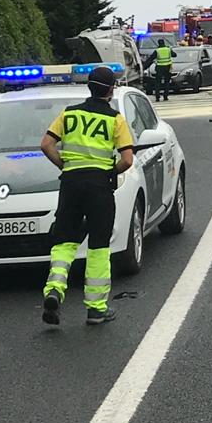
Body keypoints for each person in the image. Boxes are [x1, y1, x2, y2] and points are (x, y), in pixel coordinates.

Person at [39, 66, 134, 326]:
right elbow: (127, 160)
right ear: (111, 89)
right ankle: (96, 308)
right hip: (99, 186)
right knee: (99, 245)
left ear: (89, 87)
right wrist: (109, 172)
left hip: (70, 183)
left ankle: (55, 291)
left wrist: (64, 166)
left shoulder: (69, 114)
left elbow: (46, 144)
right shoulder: (115, 119)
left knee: (64, 241)